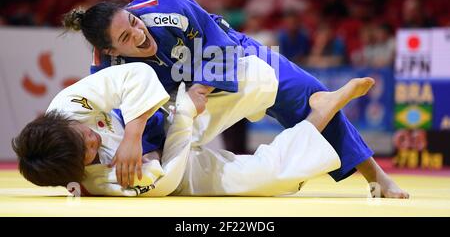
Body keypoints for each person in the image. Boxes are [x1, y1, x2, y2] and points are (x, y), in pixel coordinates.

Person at [62, 0, 408, 198]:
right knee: (155, 143)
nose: (138, 36)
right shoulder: (104, 65)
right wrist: (139, 148)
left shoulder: (166, 7)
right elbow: (121, 108)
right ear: (109, 50)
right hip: (167, 94)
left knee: (312, 96)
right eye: (125, 39)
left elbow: (220, 44)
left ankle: (378, 178)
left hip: (230, 51)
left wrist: (201, 87)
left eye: (134, 24)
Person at [13, 62, 380, 197]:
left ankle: (310, 99)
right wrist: (185, 118)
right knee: (268, 177)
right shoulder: (94, 181)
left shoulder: (66, 105)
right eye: (88, 153)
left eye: (84, 135)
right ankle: (322, 114)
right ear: (79, 171)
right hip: (175, 163)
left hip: (152, 117)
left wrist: (132, 135)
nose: (93, 140)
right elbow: (166, 179)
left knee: (250, 77)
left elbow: (136, 75)